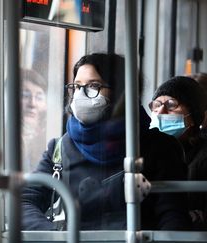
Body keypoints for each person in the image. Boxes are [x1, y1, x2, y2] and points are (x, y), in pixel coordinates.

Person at [21, 53, 190, 231]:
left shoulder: (159, 147)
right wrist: (56, 236)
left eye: (94, 86)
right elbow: (25, 201)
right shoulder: (60, 148)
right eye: (77, 87)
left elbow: (172, 216)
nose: (81, 95)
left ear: (121, 91)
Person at [149, 76, 207, 229]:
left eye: (172, 105)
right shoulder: (147, 151)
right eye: (157, 104)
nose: (161, 111)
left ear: (193, 117)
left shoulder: (203, 157)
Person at [21, 68, 48, 172]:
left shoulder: (47, 140)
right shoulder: (1, 137)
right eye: (25, 95)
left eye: (39, 97)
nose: (32, 103)